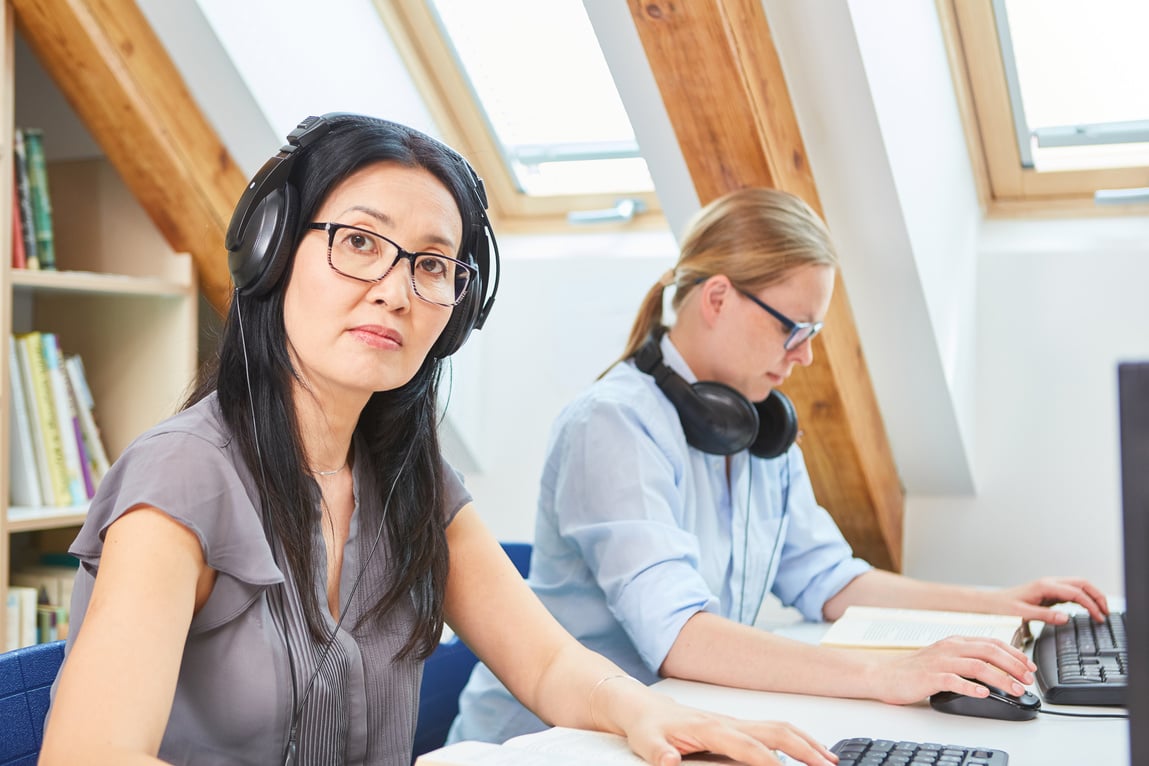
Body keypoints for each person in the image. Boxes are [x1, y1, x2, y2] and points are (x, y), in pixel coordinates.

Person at [38, 115, 839, 766]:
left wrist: (659, 720)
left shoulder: (411, 479)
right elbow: (88, 755)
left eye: (431, 264)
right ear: (273, 251)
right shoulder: (181, 477)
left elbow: (550, 665)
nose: (394, 291)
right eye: (358, 242)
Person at [449, 186, 1111, 745]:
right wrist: (884, 675)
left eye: (811, 335)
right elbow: (679, 638)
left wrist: (996, 605)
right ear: (716, 299)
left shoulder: (756, 424)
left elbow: (827, 578)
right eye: (793, 328)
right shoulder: (612, 425)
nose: (804, 356)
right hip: (553, 741)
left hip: (673, 721)